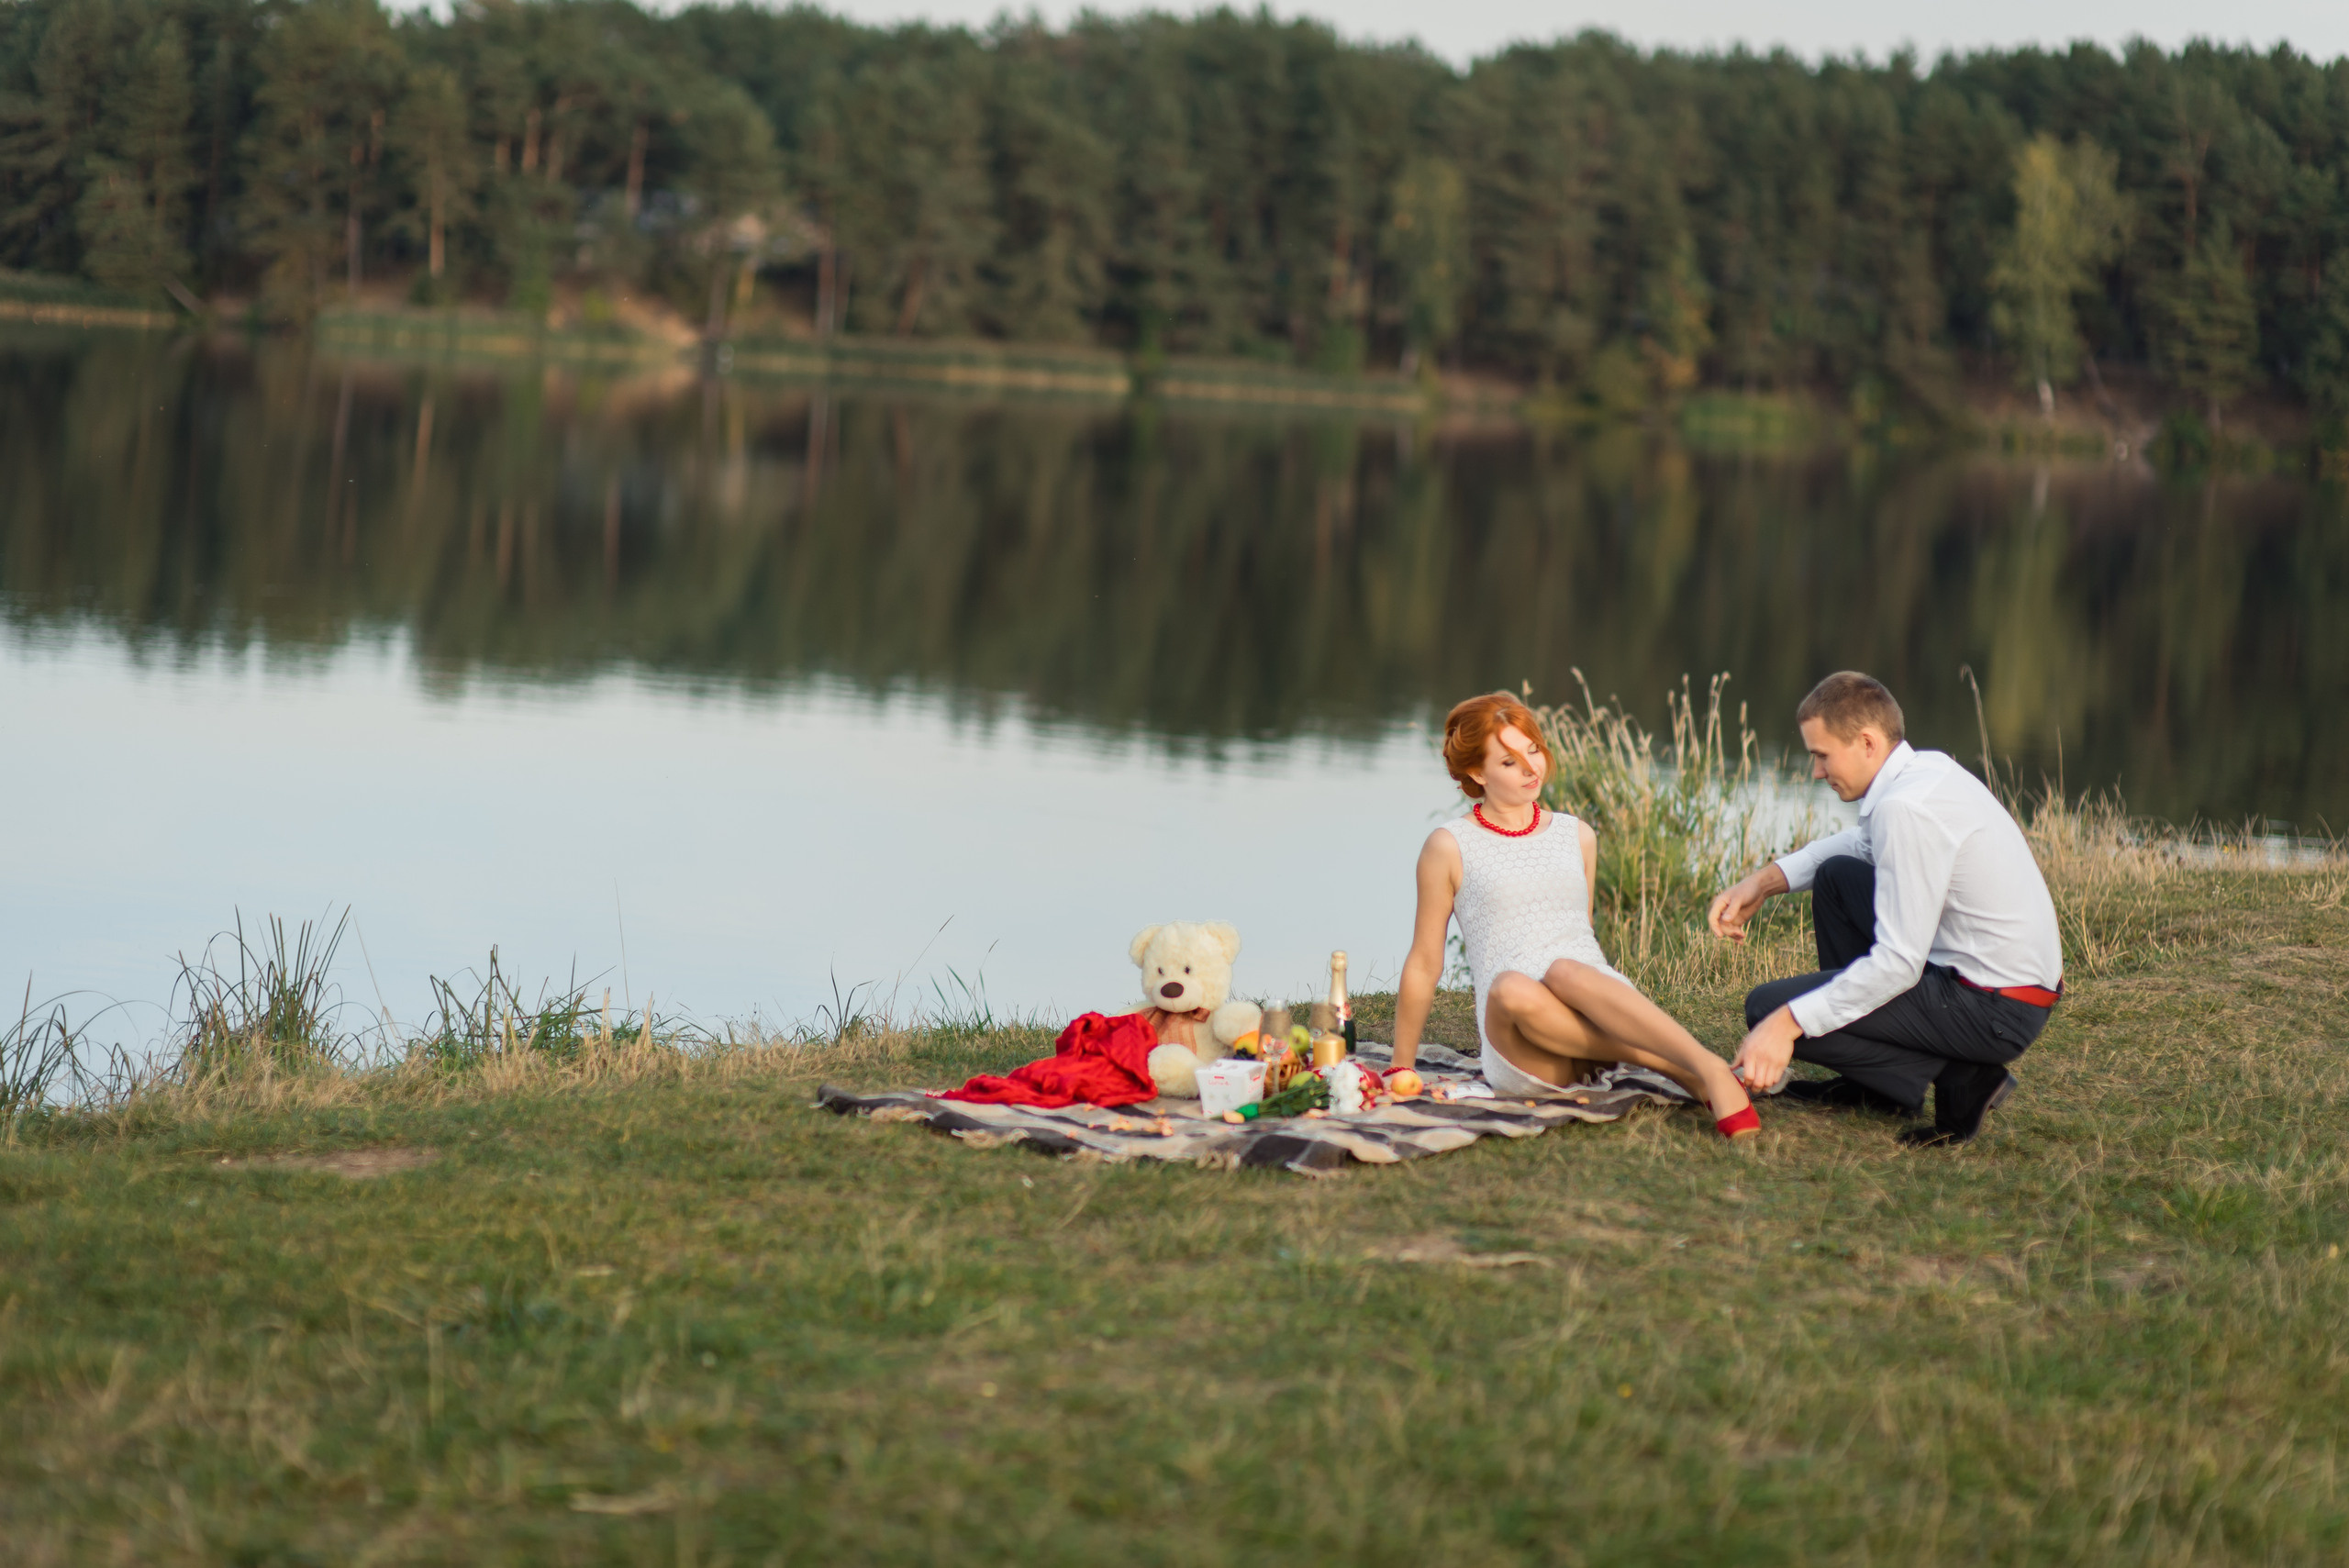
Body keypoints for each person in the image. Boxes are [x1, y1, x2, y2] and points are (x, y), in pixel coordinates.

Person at [1709, 672, 2064, 1148]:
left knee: (1766, 1007)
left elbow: (1899, 963)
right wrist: (1764, 882)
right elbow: (1861, 845)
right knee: (1837, 878)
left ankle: (1962, 1075)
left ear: (1867, 743)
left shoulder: (1906, 808)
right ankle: (1875, 1087)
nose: (1816, 772)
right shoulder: (1924, 771)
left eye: (1822, 755)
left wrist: (1786, 1023)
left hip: (1996, 1009)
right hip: (2003, 989)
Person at [1387, 692, 1761, 1140]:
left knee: (1567, 968)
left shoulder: (1576, 834)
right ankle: (1698, 1068)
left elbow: (1582, 936)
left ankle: (1700, 1067)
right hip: (1524, 1044)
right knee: (1509, 988)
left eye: (1533, 750)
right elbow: (1425, 962)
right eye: (1508, 761)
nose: (1531, 768)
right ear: (1477, 773)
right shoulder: (1449, 846)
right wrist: (1400, 1067)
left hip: (1592, 1020)